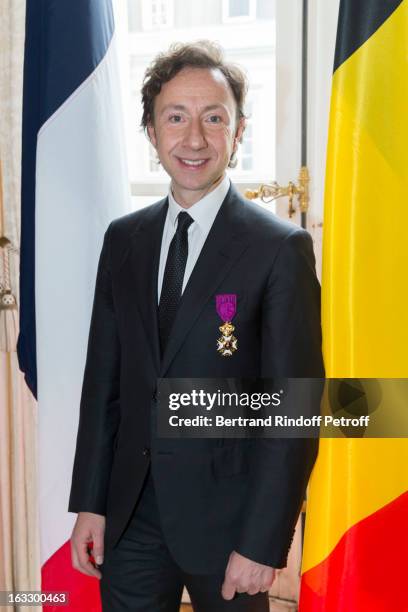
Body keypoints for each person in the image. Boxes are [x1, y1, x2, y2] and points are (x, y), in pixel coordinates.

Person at [68, 40, 324, 611]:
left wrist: (264, 540)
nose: (194, 139)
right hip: (131, 517)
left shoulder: (279, 249)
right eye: (175, 118)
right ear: (152, 132)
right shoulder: (123, 240)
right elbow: (104, 384)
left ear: (238, 132)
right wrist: (91, 501)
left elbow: (297, 405)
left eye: (214, 119)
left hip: (231, 528)